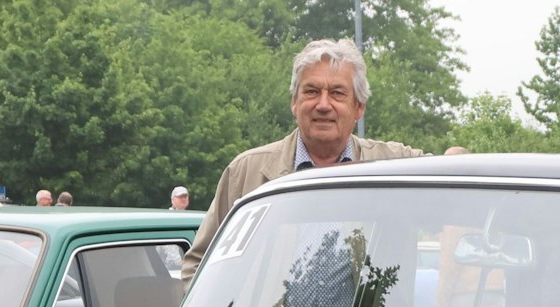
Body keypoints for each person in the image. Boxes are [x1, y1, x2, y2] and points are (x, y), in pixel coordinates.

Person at [180, 38, 424, 282]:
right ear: (295, 103)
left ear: (359, 107)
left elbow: (455, 171)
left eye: (337, 93)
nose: (323, 104)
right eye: (312, 92)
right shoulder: (246, 173)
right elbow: (199, 265)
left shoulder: (391, 167)